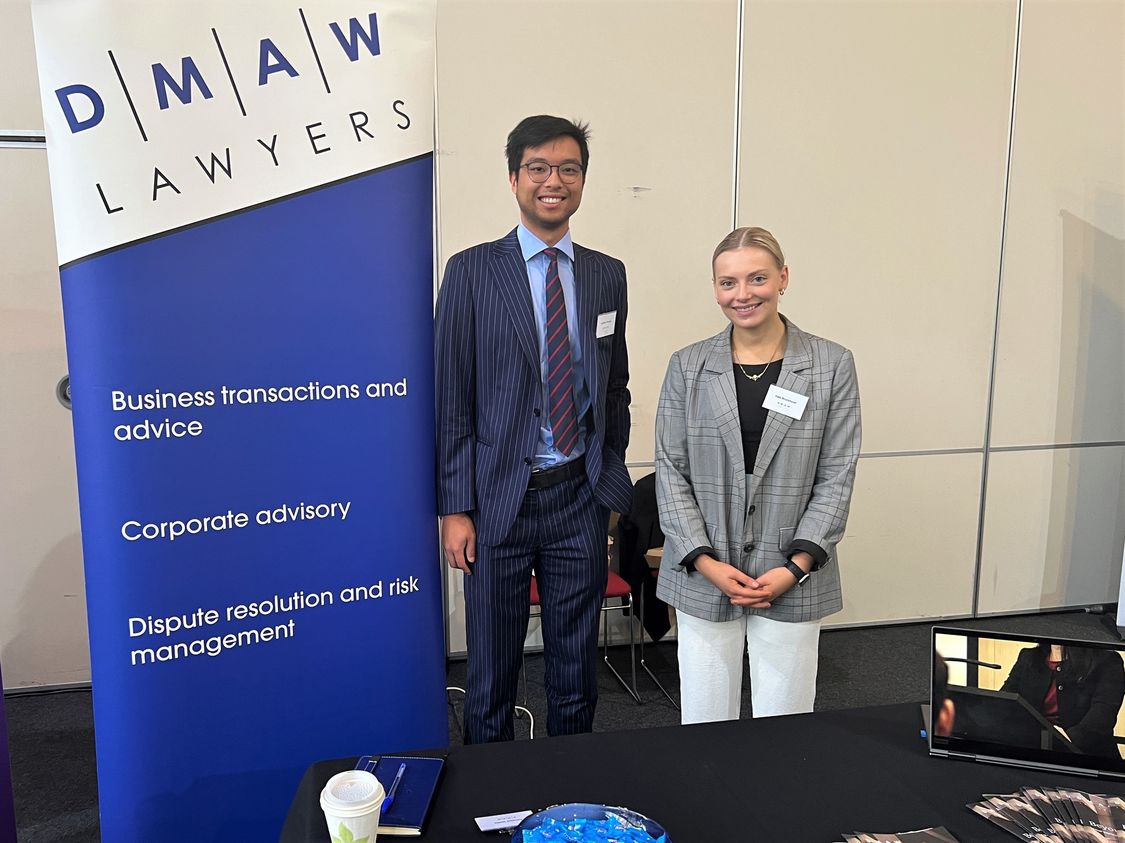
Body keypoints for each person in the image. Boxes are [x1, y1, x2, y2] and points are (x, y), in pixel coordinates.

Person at [435, 115, 632, 743]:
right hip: (498, 503)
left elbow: (614, 384)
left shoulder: (606, 274)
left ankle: (569, 796)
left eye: (569, 169)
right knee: (491, 673)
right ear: (515, 177)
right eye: (539, 168)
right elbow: (451, 400)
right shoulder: (471, 272)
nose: (555, 181)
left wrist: (610, 483)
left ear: (582, 181)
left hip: (578, 496)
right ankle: (490, 798)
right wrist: (454, 508)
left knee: (576, 672)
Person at [654, 226, 860, 723]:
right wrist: (704, 561)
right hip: (704, 573)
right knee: (704, 725)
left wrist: (795, 567)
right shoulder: (688, 366)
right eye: (728, 283)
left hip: (791, 573)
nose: (742, 294)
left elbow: (837, 473)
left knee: (785, 726)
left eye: (757, 278)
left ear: (783, 278)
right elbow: (670, 469)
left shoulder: (830, 364)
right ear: (715, 288)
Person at [999, 643, 1125, 755]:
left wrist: (1063, 738)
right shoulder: (1028, 657)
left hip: (1087, 757)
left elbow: (1103, 714)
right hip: (1032, 750)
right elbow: (1004, 702)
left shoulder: (1107, 661)